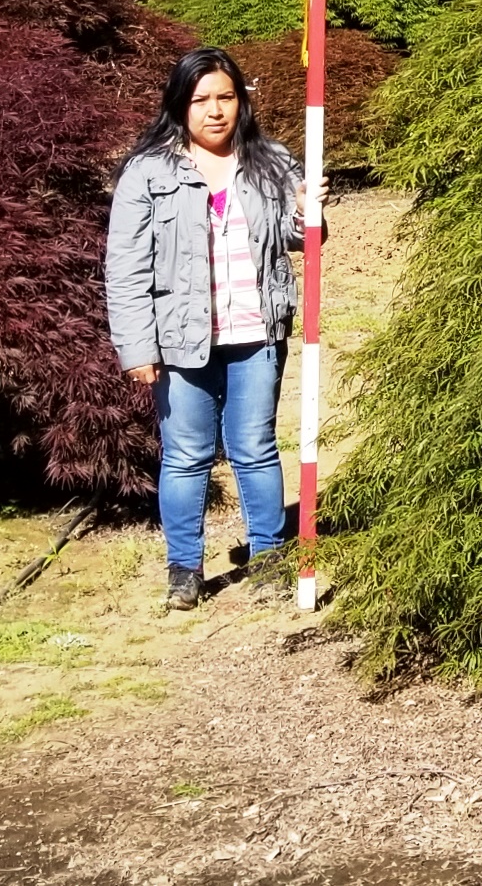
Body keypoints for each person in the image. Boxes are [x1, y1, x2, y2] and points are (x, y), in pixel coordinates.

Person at [105, 46, 325, 610]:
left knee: (254, 447)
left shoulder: (271, 162)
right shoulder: (148, 172)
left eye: (226, 97)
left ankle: (270, 556)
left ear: (241, 101)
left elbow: (305, 242)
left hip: (256, 331)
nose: (215, 110)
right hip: (180, 339)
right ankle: (184, 569)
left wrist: (307, 210)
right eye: (201, 99)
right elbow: (124, 266)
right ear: (179, 105)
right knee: (186, 455)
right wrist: (136, 346)